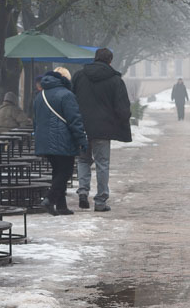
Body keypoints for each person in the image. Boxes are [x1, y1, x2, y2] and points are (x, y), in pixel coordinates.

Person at [71, 47, 132, 212]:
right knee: (102, 163)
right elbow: (122, 108)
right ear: (110, 61)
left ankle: (83, 192)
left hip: (82, 127)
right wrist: (123, 119)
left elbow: (71, 99)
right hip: (103, 129)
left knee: (83, 160)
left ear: (95, 58)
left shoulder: (79, 76)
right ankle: (100, 201)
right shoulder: (115, 80)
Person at [34, 69, 88, 216]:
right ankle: (50, 199)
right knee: (65, 171)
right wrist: (82, 140)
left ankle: (61, 206)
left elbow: (36, 120)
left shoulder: (40, 95)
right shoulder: (67, 95)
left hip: (44, 140)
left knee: (57, 171)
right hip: (63, 140)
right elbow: (74, 120)